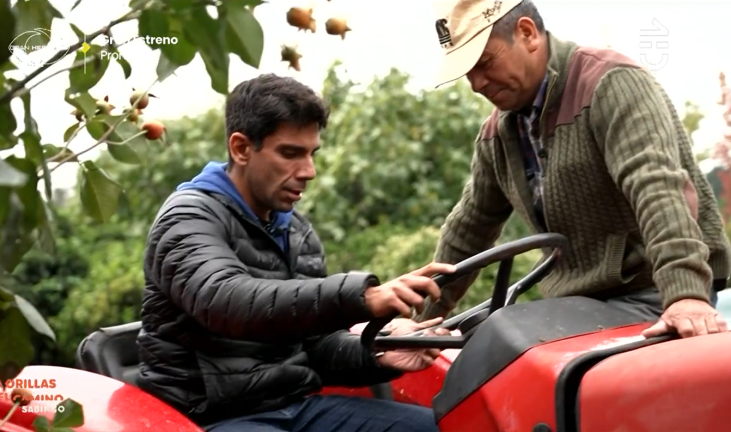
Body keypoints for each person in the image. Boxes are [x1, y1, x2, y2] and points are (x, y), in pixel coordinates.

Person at [137, 73, 453, 432]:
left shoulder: (296, 230)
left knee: (445, 427)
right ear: (241, 148)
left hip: (293, 407)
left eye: (311, 153)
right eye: (290, 153)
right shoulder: (188, 217)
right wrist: (362, 297)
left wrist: (377, 351)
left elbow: (315, 346)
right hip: (207, 419)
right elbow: (225, 299)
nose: (309, 171)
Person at [416, 0, 731, 338]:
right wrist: (420, 322)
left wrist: (685, 295)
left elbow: (656, 187)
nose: (477, 84)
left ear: (527, 33)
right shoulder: (497, 134)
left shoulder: (611, 85)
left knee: (504, 336)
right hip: (578, 304)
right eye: (468, 72)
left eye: (485, 62)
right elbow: (468, 229)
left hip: (653, 293)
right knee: (484, 338)